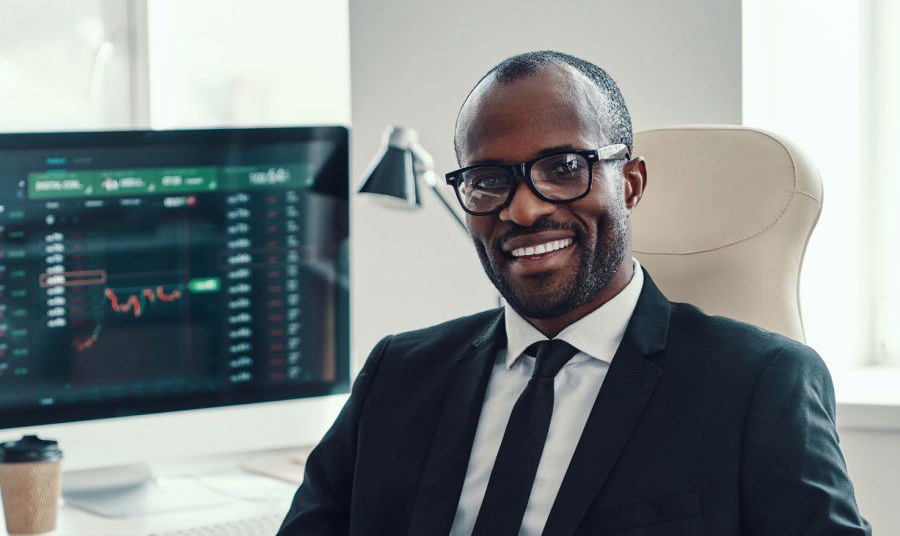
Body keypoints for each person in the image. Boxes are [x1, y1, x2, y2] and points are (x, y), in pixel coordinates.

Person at [277, 51, 870, 536]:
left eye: (564, 167)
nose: (525, 207)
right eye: (488, 181)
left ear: (630, 184)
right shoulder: (398, 373)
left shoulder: (759, 383)